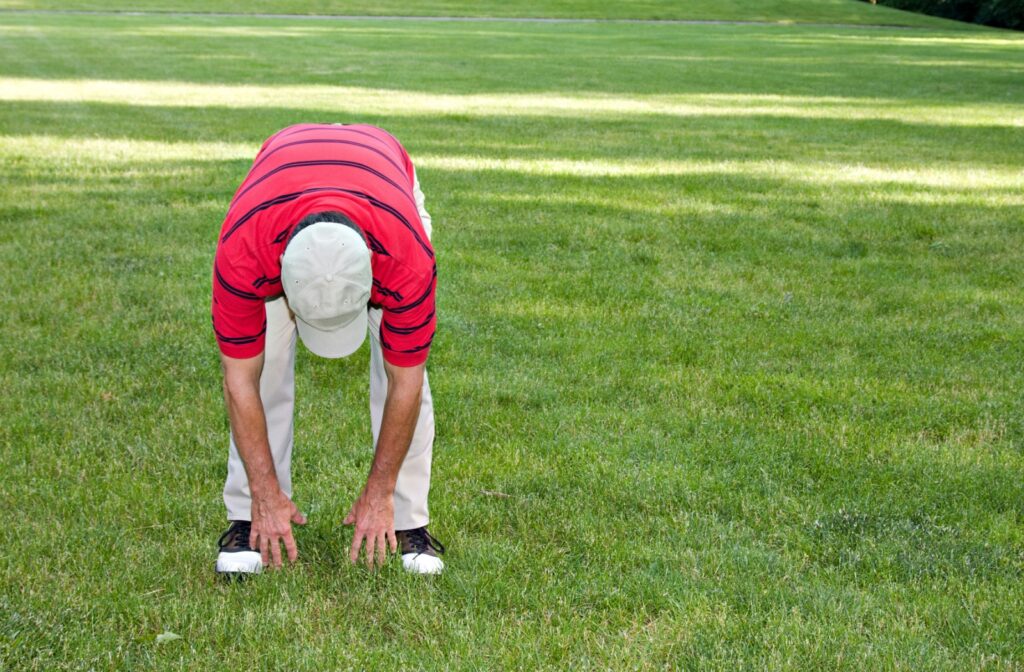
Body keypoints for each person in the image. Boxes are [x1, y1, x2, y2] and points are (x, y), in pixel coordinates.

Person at [210, 123, 444, 577]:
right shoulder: (244, 250)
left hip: (384, 187)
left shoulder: (407, 258)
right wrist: (265, 489)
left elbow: (406, 382)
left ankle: (407, 520)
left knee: (402, 369)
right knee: (265, 366)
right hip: (278, 203)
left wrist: (378, 490)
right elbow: (239, 381)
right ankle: (249, 514)